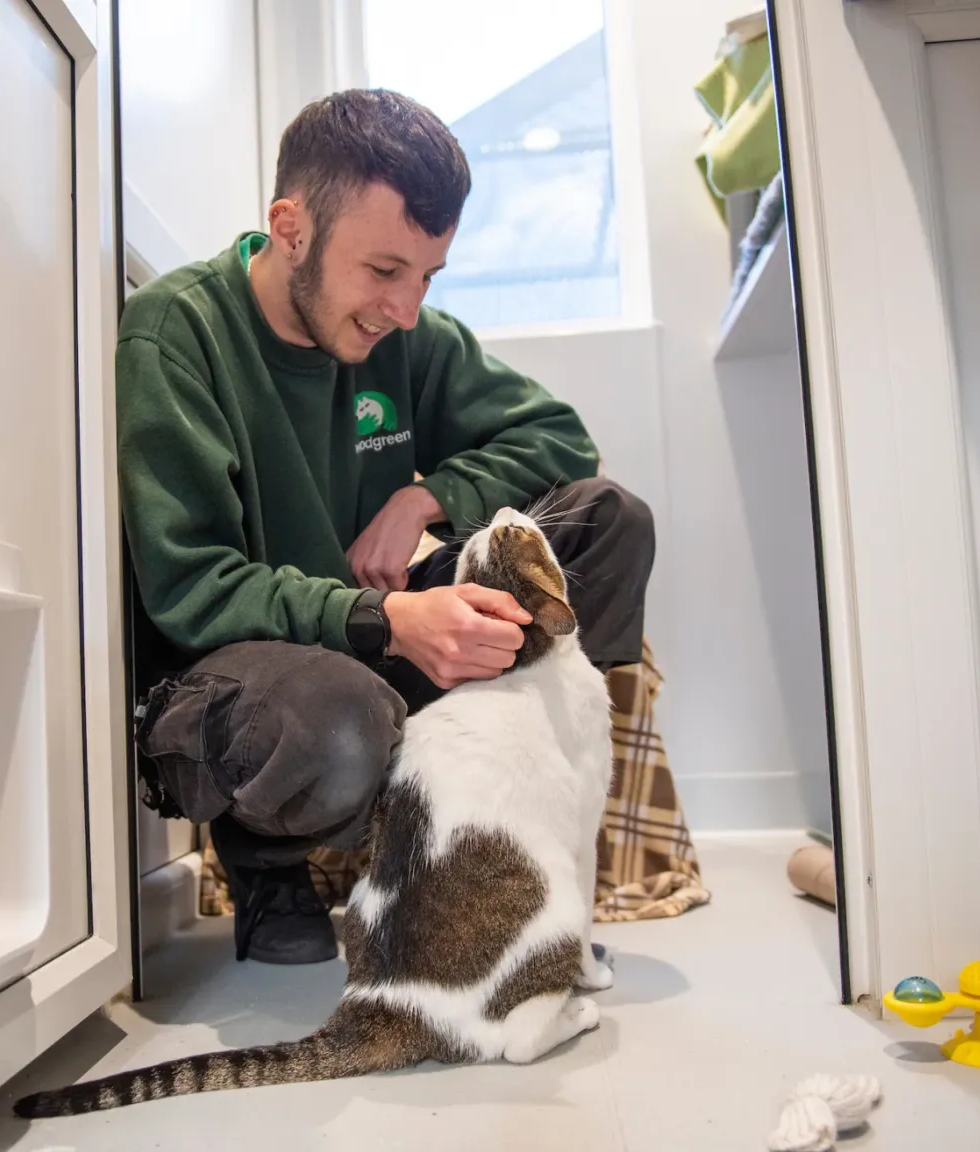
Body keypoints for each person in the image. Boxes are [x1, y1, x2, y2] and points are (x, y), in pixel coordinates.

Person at [119, 89, 655, 965]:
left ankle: (510, 814)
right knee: (336, 726)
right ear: (290, 226)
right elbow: (189, 588)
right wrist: (390, 622)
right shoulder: (179, 335)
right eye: (382, 272)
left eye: (427, 278)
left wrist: (426, 497)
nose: (404, 309)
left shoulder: (406, 338)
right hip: (246, 670)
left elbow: (560, 440)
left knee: (606, 522)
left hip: (372, 630)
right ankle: (268, 864)